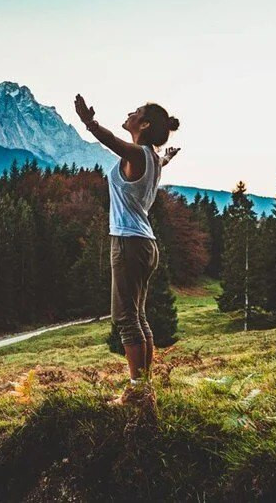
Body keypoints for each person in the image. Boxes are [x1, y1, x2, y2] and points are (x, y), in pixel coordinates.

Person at [74, 95, 180, 406]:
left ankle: (137, 392)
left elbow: (109, 140)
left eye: (135, 112)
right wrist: (169, 156)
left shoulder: (136, 153)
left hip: (128, 243)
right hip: (145, 243)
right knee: (138, 316)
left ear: (144, 125)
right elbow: (160, 161)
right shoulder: (152, 159)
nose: (129, 113)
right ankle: (143, 388)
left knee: (125, 318)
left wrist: (88, 122)